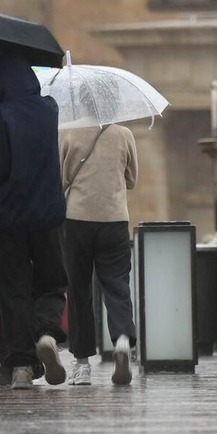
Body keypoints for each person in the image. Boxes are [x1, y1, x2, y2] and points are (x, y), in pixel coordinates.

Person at [0, 53, 69, 390]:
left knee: (12, 290)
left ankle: (21, 367)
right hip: (48, 214)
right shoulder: (49, 110)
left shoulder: (0, 116)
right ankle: (46, 333)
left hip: (6, 217)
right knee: (52, 282)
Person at [59, 120, 139, 386]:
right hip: (114, 220)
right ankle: (123, 340)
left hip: (77, 220)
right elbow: (132, 180)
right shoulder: (124, 134)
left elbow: (60, 178)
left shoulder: (68, 132)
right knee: (117, 285)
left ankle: (82, 366)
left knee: (79, 291)